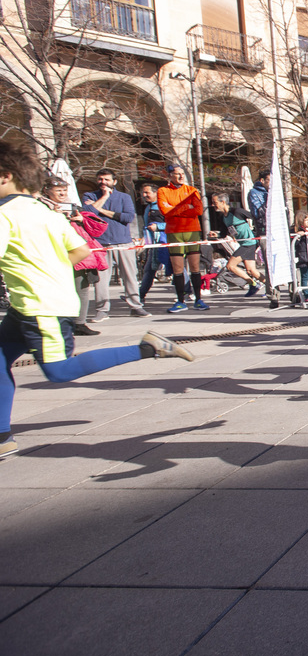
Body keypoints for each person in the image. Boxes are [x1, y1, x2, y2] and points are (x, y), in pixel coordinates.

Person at [0, 143, 192, 460]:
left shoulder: (6, 214)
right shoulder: (47, 214)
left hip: (39, 307)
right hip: (34, 304)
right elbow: (80, 252)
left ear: (6, 176)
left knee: (60, 372)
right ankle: (3, 437)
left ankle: (148, 348)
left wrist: (27, 266)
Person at [82, 168, 150, 319]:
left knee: (130, 276)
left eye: (107, 179)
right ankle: (102, 310)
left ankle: (136, 306)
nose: (103, 182)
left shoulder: (124, 197)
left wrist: (101, 210)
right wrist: (104, 198)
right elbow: (87, 213)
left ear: (114, 181)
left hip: (123, 242)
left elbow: (127, 217)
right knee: (101, 279)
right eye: (100, 179)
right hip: (100, 243)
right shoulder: (89, 195)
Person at [45, 178, 107, 336]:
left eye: (64, 190)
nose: (62, 193)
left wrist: (82, 220)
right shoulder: (41, 208)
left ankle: (80, 322)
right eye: (58, 190)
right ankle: (55, 325)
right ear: (46, 190)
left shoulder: (74, 207)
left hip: (78, 254)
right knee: (56, 290)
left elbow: (97, 228)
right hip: (54, 255)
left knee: (82, 288)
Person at [158, 165, 208, 313]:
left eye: (182, 174)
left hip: (192, 231)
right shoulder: (163, 191)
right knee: (178, 268)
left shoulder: (192, 190)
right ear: (169, 175)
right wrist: (186, 207)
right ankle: (180, 301)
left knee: (195, 267)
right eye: (176, 174)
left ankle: (198, 299)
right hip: (174, 232)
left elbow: (198, 210)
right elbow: (164, 211)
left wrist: (175, 209)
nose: (180, 176)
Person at [209, 193, 263, 295]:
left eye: (215, 203)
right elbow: (224, 234)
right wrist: (215, 234)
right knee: (252, 271)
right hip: (243, 244)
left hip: (249, 243)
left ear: (223, 202)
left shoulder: (237, 212)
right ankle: (271, 286)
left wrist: (259, 232)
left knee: (230, 266)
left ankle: (253, 284)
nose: (213, 205)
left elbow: (254, 217)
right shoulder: (223, 217)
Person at [137, 183, 173, 304]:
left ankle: (188, 291)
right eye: (143, 192)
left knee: (175, 268)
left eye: (147, 192)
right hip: (153, 244)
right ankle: (140, 295)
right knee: (149, 269)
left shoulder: (164, 206)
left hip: (165, 243)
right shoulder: (148, 208)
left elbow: (173, 223)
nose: (144, 195)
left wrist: (159, 226)